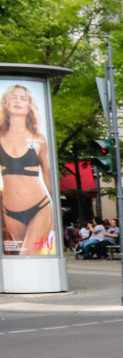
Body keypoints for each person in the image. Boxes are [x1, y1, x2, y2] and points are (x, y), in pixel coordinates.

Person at [0, 84, 57, 255]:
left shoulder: (38, 138)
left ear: (29, 106)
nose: (18, 101)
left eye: (23, 98)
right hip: (10, 212)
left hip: (40, 208)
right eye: (14, 97)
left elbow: (47, 173)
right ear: (6, 103)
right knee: (23, 259)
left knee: (28, 254)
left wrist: (55, 206)